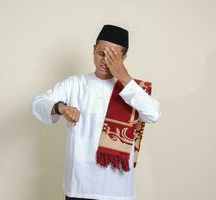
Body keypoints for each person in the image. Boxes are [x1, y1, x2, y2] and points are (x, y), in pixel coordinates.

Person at [31, 24, 162, 200]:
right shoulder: (75, 84)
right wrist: (60, 107)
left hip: (118, 191)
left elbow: (153, 114)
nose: (105, 61)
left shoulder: (132, 90)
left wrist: (124, 77)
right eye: (101, 54)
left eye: (113, 57)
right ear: (93, 50)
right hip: (78, 187)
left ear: (123, 58)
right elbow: (38, 104)